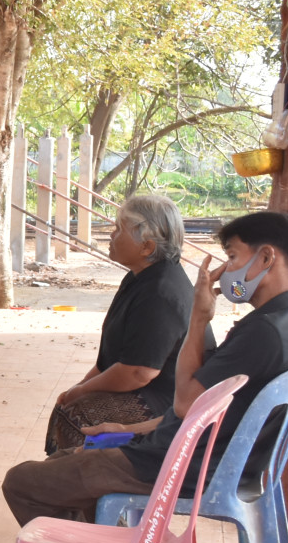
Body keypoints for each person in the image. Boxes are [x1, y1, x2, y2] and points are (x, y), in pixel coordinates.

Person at [1, 211, 288, 543]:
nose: (224, 271)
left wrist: (198, 318)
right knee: (78, 456)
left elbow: (187, 403)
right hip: (203, 455)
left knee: (24, 481)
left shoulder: (263, 333)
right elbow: (207, 411)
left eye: (232, 255)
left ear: (265, 258)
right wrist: (129, 431)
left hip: (183, 467)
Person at [44, 194, 207, 455]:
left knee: (78, 414)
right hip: (149, 388)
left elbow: (138, 372)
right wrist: (78, 388)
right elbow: (112, 359)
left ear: (147, 247)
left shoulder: (161, 291)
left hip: (167, 400)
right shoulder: (139, 278)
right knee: (69, 402)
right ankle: (64, 478)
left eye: (119, 229)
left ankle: (78, 484)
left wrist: (82, 391)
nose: (112, 235)